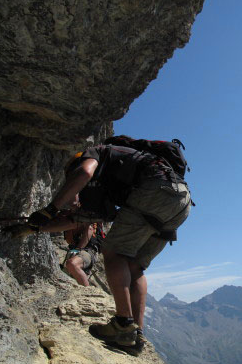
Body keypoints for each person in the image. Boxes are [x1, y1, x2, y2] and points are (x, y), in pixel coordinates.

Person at [16, 142, 192, 352]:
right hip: (181, 202)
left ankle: (123, 324)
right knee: (135, 267)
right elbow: (78, 220)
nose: (74, 192)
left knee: (113, 252)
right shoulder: (114, 180)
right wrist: (34, 229)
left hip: (154, 190)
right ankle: (135, 336)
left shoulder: (94, 153)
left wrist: (50, 209)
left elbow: (84, 172)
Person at [61, 222, 104, 286]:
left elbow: (89, 229)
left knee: (72, 264)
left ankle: (87, 290)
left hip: (88, 250)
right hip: (78, 250)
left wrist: (78, 249)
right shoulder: (73, 218)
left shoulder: (85, 217)